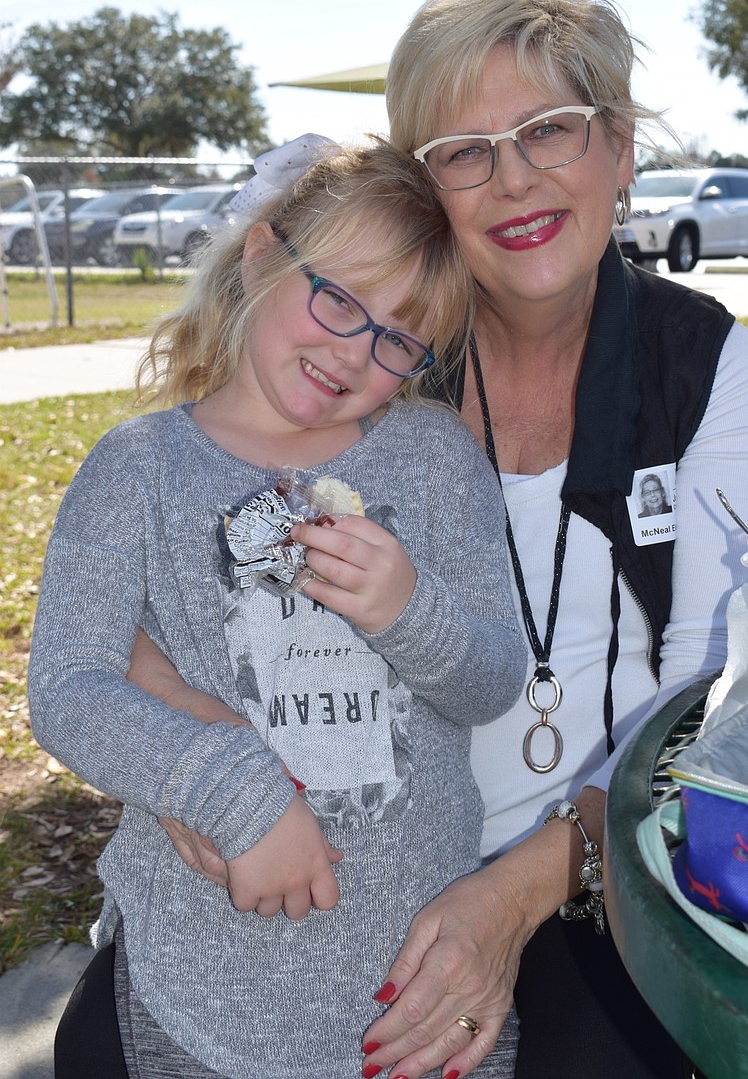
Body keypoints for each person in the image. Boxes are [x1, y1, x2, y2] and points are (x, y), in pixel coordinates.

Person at [125, 0, 748, 1079]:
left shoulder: (707, 368)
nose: (513, 180)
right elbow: (152, 593)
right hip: (345, 851)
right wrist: (195, 757)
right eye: (463, 152)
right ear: (423, 192)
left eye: (550, 129)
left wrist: (527, 886)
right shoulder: (377, 360)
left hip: (596, 867)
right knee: (113, 1039)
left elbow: (725, 695)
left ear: (619, 150)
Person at [27, 140, 527, 1079]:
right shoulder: (136, 470)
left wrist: (408, 609)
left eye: (397, 340)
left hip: (420, 998)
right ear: (261, 254)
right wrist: (232, 792)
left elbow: (495, 677)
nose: (354, 352)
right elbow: (68, 685)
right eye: (337, 298)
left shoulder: (432, 458)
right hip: (200, 993)